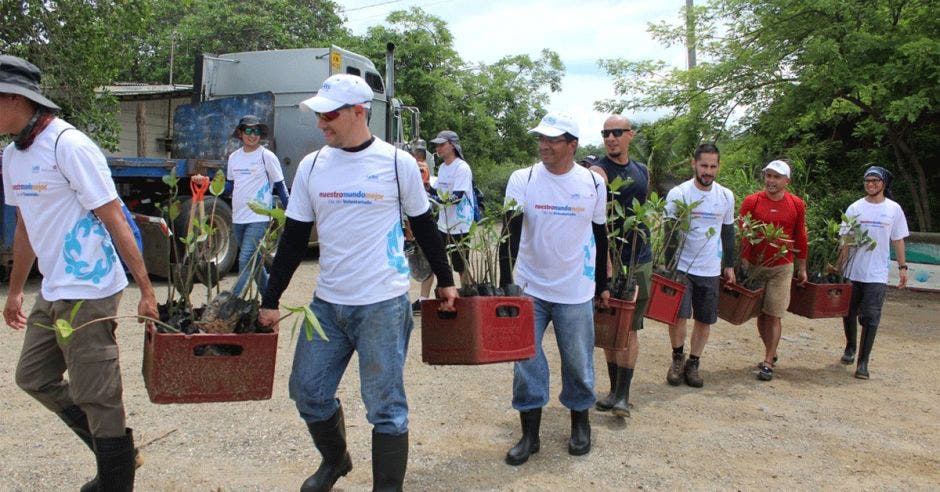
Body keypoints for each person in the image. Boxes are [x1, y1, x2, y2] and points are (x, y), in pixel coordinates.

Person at [256, 73, 457, 491]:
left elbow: (423, 226)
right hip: (327, 304)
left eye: (329, 115)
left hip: (382, 303)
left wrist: (446, 279)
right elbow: (294, 239)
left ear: (359, 112)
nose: (320, 123)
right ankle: (336, 460)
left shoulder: (397, 164)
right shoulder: (313, 165)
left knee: (385, 406)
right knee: (307, 391)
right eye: (319, 114)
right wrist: (270, 298)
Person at [1, 55, 158, 490]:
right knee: (32, 376)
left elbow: (114, 217)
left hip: (91, 287)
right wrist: (16, 291)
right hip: (53, 288)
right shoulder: (13, 156)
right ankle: (118, 453)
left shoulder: (68, 145)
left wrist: (145, 288)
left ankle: (115, 480)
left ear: (14, 98)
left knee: (98, 391)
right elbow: (25, 227)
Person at [499, 112, 609, 465]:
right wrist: (506, 284)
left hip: (575, 289)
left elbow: (601, 236)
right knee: (526, 362)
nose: (544, 146)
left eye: (553, 140)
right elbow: (509, 234)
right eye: (541, 139)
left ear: (572, 145)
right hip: (530, 287)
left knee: (578, 362)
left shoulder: (592, 184)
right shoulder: (523, 178)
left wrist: (602, 285)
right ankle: (530, 435)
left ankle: (580, 424)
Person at [587, 116, 650, 416]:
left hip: (639, 259)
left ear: (630, 135)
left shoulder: (641, 171)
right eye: (605, 133)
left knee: (630, 327)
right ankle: (614, 391)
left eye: (616, 133)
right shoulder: (597, 172)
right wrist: (607, 267)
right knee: (612, 327)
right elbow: (595, 224)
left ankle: (623, 395)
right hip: (610, 261)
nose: (610, 138)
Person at [663, 143, 736, 388]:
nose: (708, 171)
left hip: (710, 269)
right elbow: (669, 232)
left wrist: (729, 264)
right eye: (703, 165)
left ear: (718, 167)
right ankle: (677, 359)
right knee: (679, 317)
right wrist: (669, 266)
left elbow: (728, 231)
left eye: (713, 166)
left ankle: (693, 363)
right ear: (693, 164)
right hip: (683, 267)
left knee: (705, 320)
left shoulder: (726, 196)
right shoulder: (679, 194)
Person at [739, 160, 808, 381]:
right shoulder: (752, 202)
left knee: (774, 313)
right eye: (768, 176)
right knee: (761, 314)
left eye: (776, 177)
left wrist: (802, 267)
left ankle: (768, 361)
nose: (771, 181)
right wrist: (743, 262)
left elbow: (800, 235)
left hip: (782, 265)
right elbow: (744, 233)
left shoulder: (796, 204)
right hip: (757, 266)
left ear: (787, 181)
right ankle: (772, 349)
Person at [839, 166, 909, 379]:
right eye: (867, 180)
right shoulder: (855, 208)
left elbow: (897, 238)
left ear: (883, 184)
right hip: (853, 270)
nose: (870, 184)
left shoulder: (893, 209)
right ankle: (850, 346)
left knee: (871, 316)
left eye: (875, 181)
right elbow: (846, 240)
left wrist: (903, 267)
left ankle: (863, 362)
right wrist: (838, 266)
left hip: (877, 273)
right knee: (848, 313)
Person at [227, 114, 289, 297]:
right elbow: (229, 186)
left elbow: (281, 186)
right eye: (248, 130)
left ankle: (231, 301)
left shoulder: (266, 156)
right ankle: (270, 297)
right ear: (240, 133)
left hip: (259, 217)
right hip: (238, 217)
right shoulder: (233, 158)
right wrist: (207, 184)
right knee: (254, 263)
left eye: (256, 131)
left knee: (246, 259)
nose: (252, 135)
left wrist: (292, 213)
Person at [414, 130, 474, 312]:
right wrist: (424, 186)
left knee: (461, 266)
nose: (438, 148)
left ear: (452, 146)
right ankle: (423, 300)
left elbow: (457, 196)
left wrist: (438, 200)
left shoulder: (462, 167)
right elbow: (436, 191)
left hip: (460, 225)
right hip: (443, 224)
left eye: (442, 144)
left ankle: (468, 298)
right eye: (437, 145)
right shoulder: (444, 167)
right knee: (434, 259)